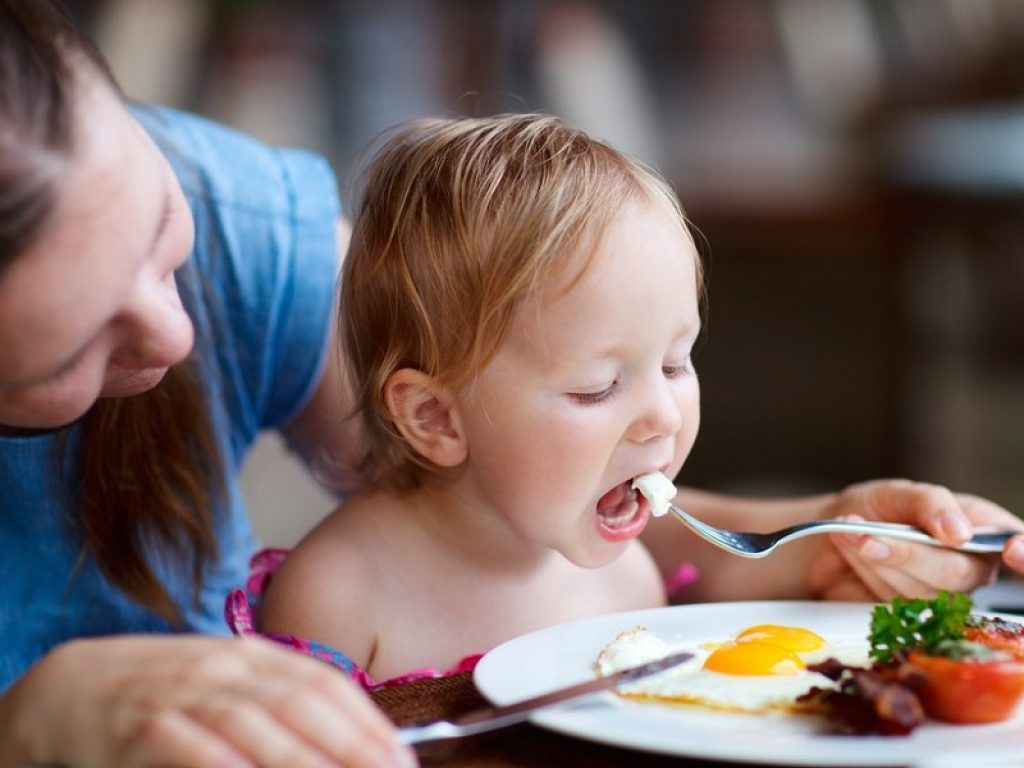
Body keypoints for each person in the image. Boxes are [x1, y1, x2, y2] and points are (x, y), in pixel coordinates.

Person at [241, 113, 1024, 687]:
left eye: (677, 363)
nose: (662, 416)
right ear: (435, 418)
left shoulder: (627, 570)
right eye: (597, 387)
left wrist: (882, 537)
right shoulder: (338, 598)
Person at [0, 2, 415, 766]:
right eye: (67, 355)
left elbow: (503, 489)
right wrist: (19, 729)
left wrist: (704, 545)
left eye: (159, 223)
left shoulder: (235, 213)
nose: (176, 334)